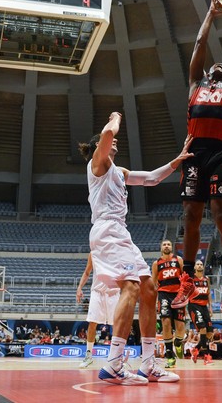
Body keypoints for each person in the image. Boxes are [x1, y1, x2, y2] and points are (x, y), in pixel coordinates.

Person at [77, 111, 191, 385]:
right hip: (107, 231)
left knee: (149, 289)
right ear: (98, 149)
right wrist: (115, 118)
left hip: (120, 233)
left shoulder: (119, 172)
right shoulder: (98, 164)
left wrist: (176, 162)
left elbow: (151, 178)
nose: (115, 142)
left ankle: (149, 364)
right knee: (130, 288)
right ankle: (114, 364)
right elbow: (107, 134)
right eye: (110, 142)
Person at [174, 0, 222, 313]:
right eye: (213, 65)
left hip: (218, 152)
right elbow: (199, 45)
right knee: (191, 217)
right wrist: (210, 13)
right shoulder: (195, 84)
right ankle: (187, 279)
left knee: (220, 215)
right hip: (194, 154)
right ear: (206, 73)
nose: (218, 65)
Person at [76, 253, 120, 368]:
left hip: (113, 292)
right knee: (92, 323)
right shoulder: (94, 253)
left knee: (116, 325)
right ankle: (89, 355)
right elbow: (87, 272)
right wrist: (79, 287)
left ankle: (116, 357)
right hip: (97, 292)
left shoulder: (116, 251)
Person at [151, 240, 186, 367]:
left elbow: (185, 278)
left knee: (180, 327)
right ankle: (170, 355)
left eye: (168, 244)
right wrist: (155, 301)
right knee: (165, 323)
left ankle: (178, 342)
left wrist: (184, 293)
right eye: (164, 244)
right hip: (163, 295)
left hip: (178, 294)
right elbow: (153, 284)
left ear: (172, 247)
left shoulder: (179, 260)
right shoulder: (156, 263)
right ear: (161, 248)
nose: (166, 246)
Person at [188, 260, 214, 365]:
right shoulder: (191, 279)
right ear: (194, 267)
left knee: (209, 333)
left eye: (201, 264)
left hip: (204, 306)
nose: (200, 265)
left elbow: (208, 294)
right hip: (194, 305)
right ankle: (206, 356)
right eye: (198, 264)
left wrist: (210, 307)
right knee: (202, 329)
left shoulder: (207, 279)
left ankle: (196, 349)